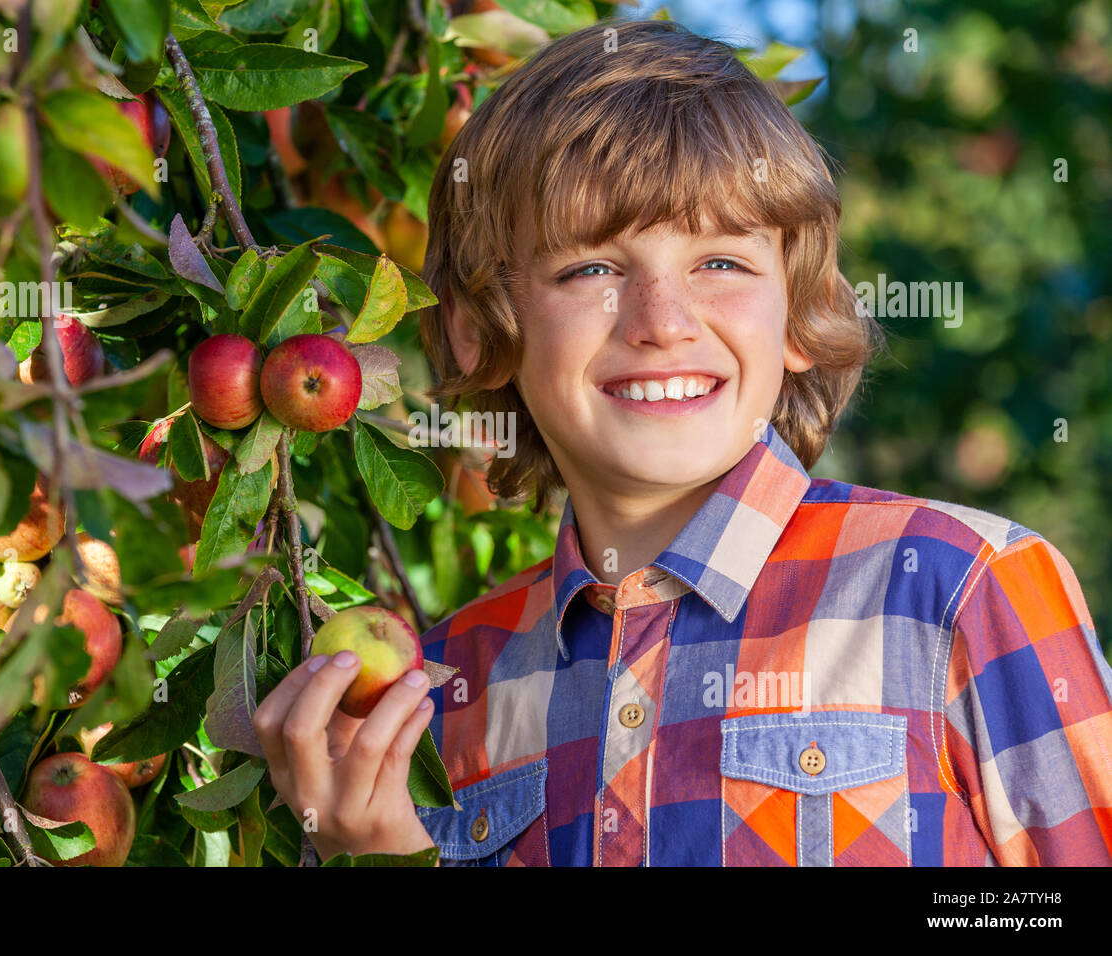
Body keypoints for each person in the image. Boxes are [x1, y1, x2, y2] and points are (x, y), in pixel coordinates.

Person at [253, 17, 1112, 866]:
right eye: (590, 269)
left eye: (722, 263)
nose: (662, 324)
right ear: (481, 331)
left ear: (801, 315)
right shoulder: (436, 695)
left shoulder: (960, 590)